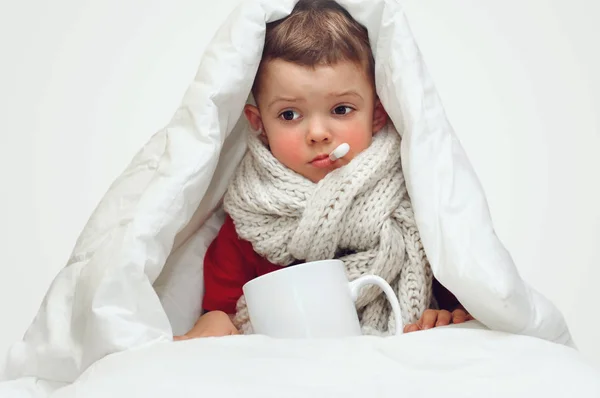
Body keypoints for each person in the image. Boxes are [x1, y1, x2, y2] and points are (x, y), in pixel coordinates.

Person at [175, 0, 472, 340]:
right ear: (259, 125)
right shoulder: (247, 225)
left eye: (341, 109)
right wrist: (215, 320)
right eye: (289, 114)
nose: (318, 133)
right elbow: (224, 313)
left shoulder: (417, 204)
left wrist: (444, 314)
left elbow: (468, 286)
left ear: (377, 114)